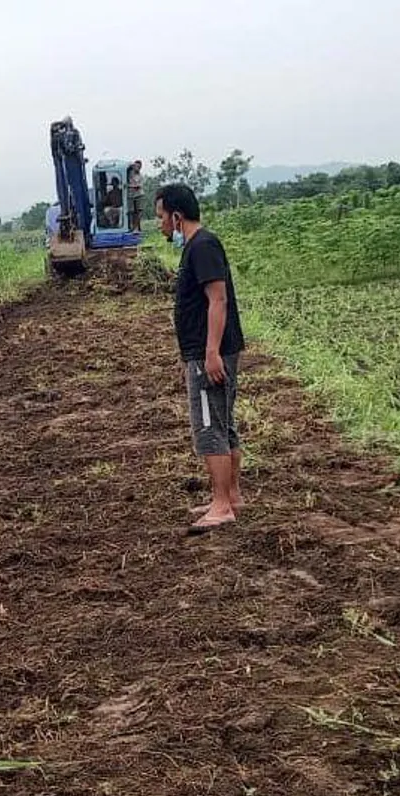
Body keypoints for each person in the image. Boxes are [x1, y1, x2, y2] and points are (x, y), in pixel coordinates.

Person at [154, 183, 246, 533]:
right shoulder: (197, 246)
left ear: (177, 216)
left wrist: (209, 353)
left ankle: (222, 506)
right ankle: (231, 495)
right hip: (210, 351)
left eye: (161, 217)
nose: (160, 224)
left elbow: (217, 300)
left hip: (211, 353)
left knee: (210, 429)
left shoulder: (202, 246)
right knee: (223, 424)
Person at [127, 161, 144, 231]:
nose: (138, 168)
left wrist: (135, 186)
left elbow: (140, 185)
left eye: (139, 167)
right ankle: (132, 226)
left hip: (139, 194)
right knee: (131, 211)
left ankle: (137, 227)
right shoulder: (129, 173)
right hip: (131, 195)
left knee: (139, 211)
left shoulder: (140, 176)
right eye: (136, 166)